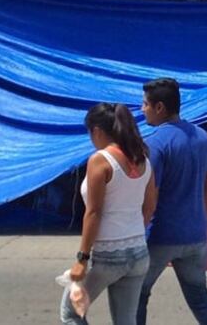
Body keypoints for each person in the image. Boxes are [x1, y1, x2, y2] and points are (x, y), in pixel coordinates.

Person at [138, 78, 207, 325]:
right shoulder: (201, 137)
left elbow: (150, 196)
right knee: (200, 299)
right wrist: (205, 218)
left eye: (145, 104)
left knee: (137, 295)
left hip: (161, 236)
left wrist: (138, 232)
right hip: (196, 236)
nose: (141, 108)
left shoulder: (156, 144)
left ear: (159, 108)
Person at [62, 104, 156, 325]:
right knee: (126, 321)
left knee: (71, 313)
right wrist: (131, 234)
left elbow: (93, 213)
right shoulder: (142, 159)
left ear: (97, 131)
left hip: (107, 256)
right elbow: (150, 206)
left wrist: (82, 260)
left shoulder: (100, 160)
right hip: (139, 253)